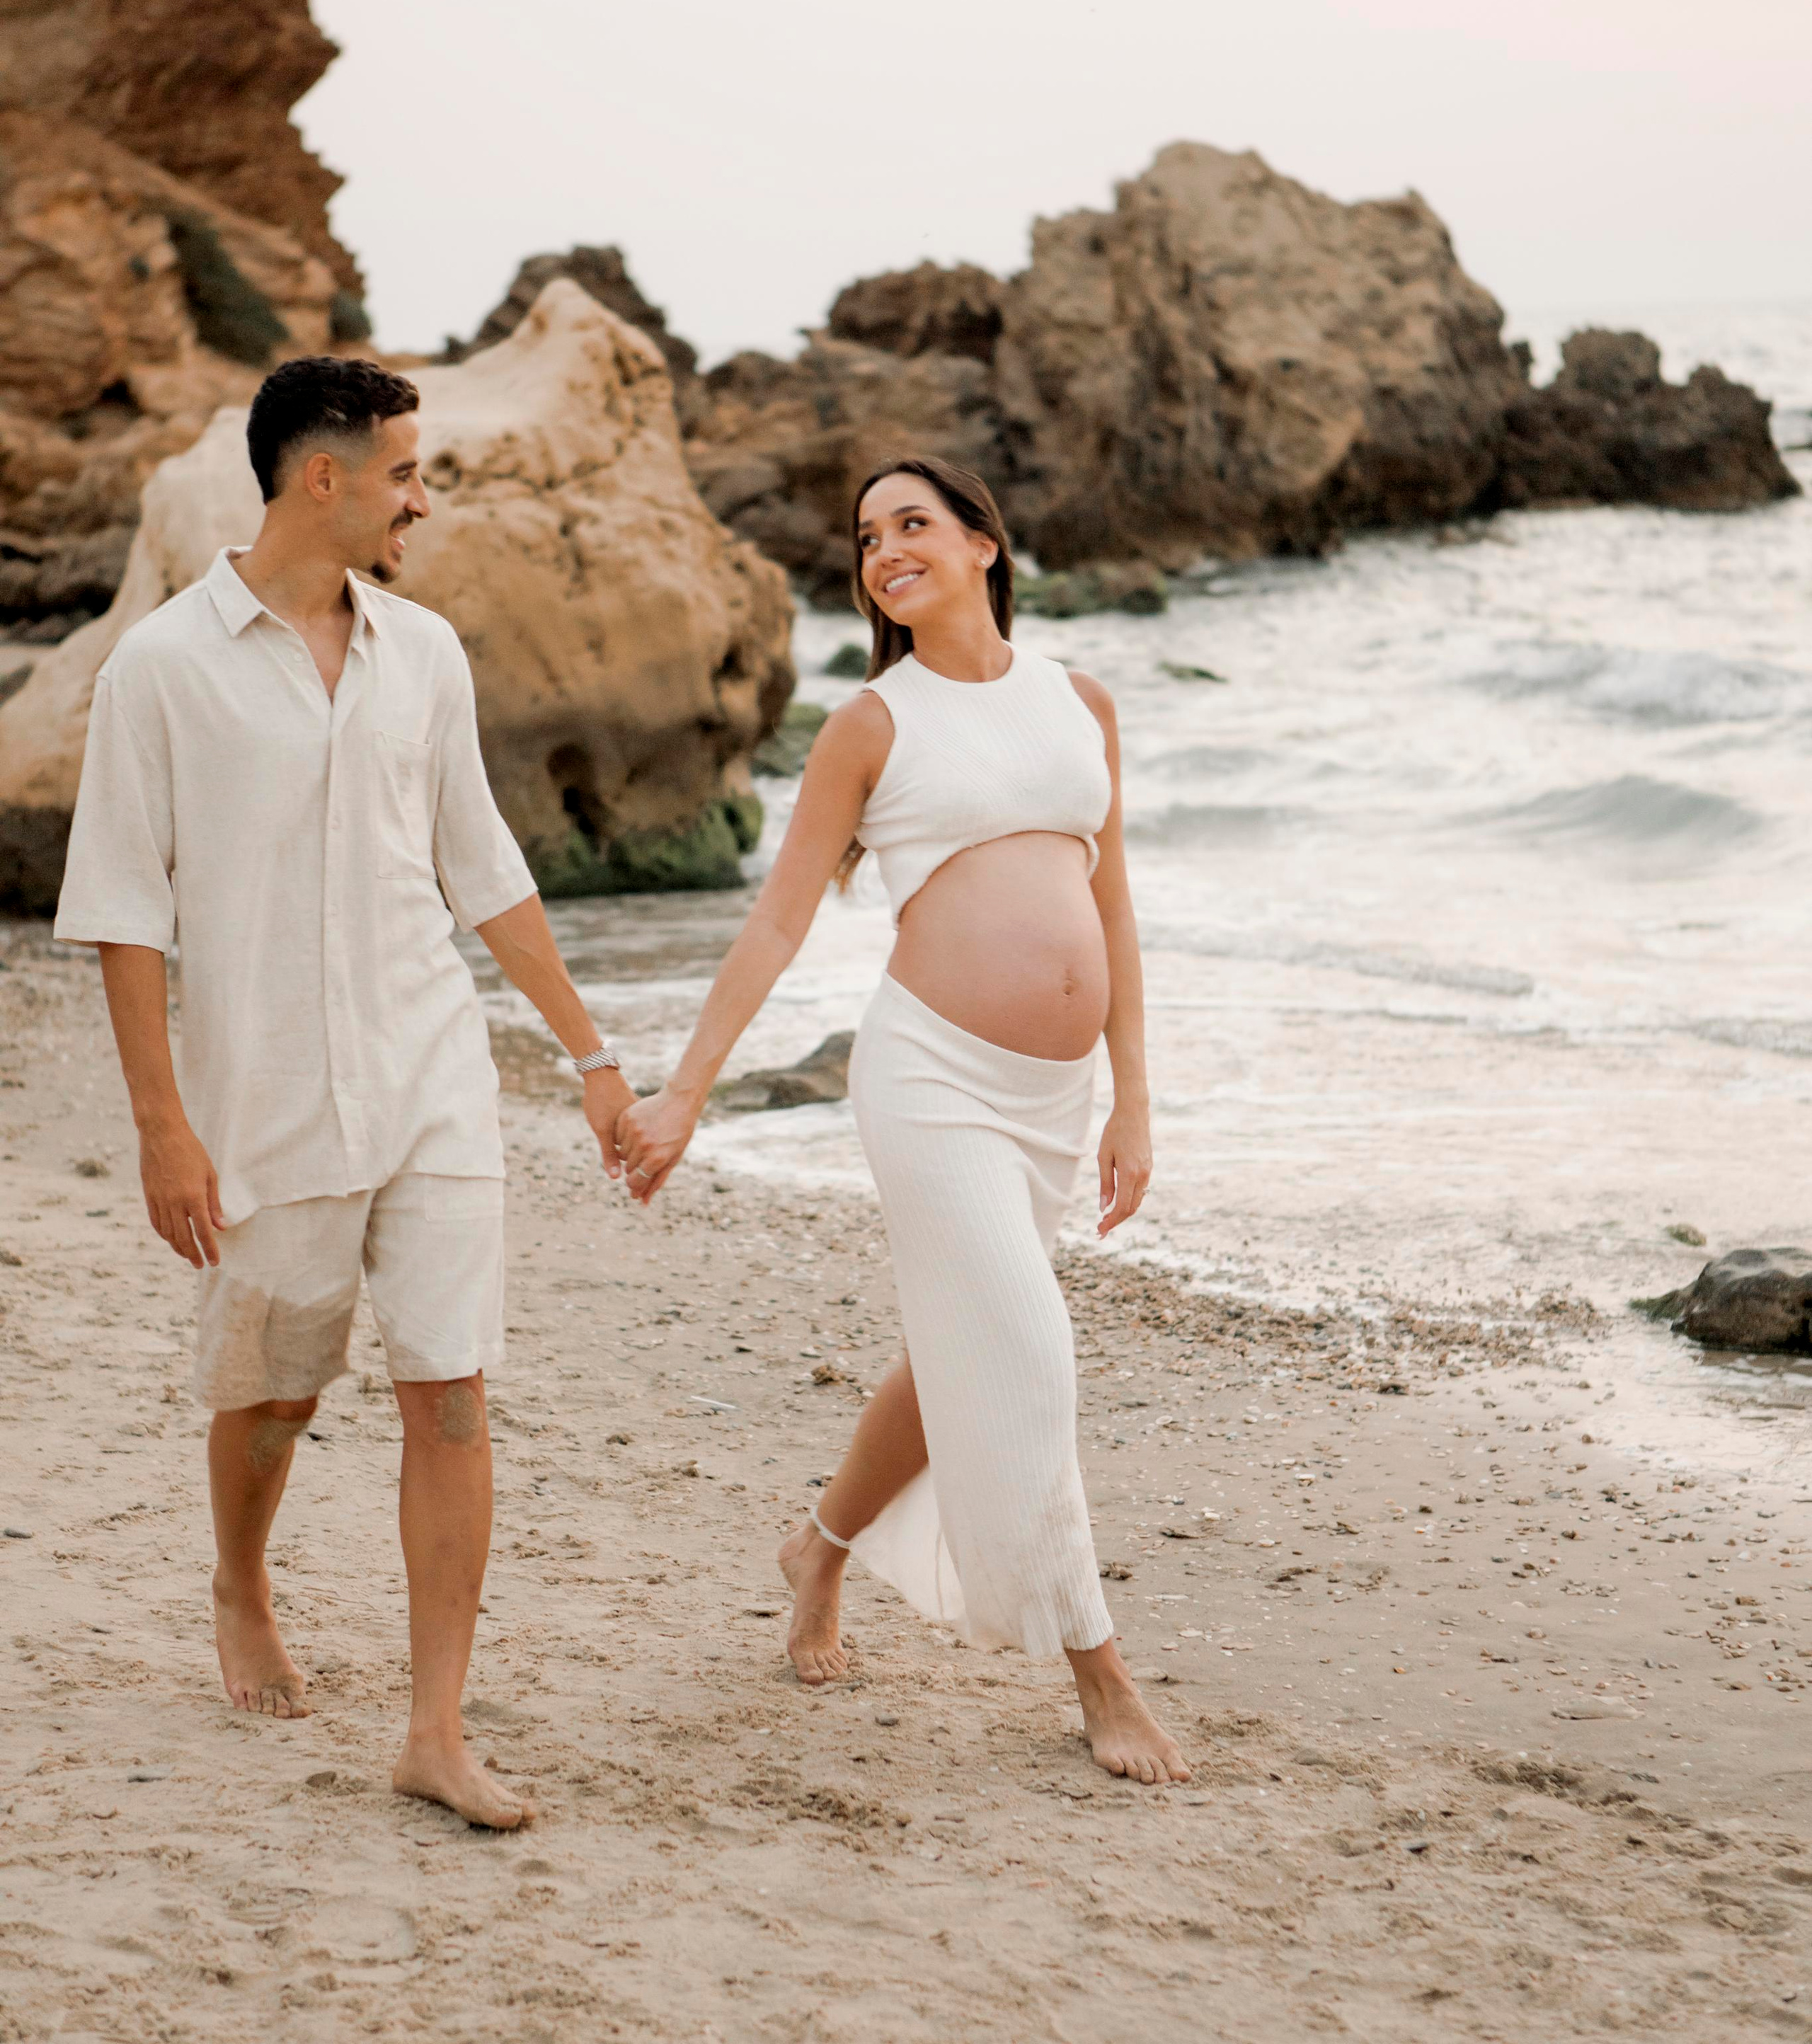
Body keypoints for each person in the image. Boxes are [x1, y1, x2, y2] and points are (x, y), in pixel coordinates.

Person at [54, 355, 634, 1830]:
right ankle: (239, 1582)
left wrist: (589, 1053)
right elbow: (124, 907)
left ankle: (433, 1730)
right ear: (325, 478)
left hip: (431, 1067)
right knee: (274, 1392)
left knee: (451, 1387)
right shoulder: (164, 670)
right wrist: (161, 1128)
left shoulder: (424, 654)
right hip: (264, 1098)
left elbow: (482, 868)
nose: (419, 502)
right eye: (405, 475)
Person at [617, 456, 1189, 1786]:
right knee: (1026, 1347)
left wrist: (1134, 1097)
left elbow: (1111, 912)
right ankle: (1100, 1676)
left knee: (959, 1351)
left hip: (1054, 1098)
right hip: (929, 1077)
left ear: (986, 542)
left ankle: (819, 1548)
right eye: (867, 538)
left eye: (911, 525)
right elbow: (779, 918)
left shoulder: (1079, 705)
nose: (884, 553)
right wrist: (687, 1089)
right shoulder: (871, 726)